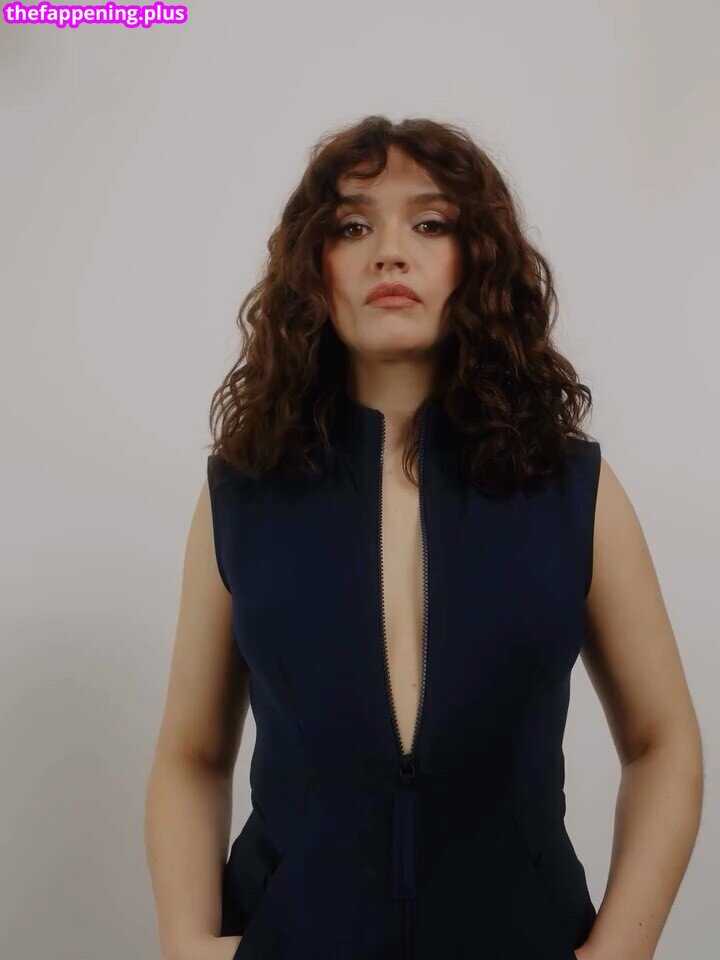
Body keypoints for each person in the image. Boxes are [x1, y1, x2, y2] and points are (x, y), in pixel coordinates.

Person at [144, 116, 704, 960]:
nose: (390, 254)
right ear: (312, 267)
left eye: (431, 223)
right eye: (352, 226)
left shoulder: (573, 490)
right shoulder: (242, 495)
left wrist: (616, 954)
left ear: (477, 260)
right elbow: (192, 755)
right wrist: (189, 944)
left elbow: (664, 743)